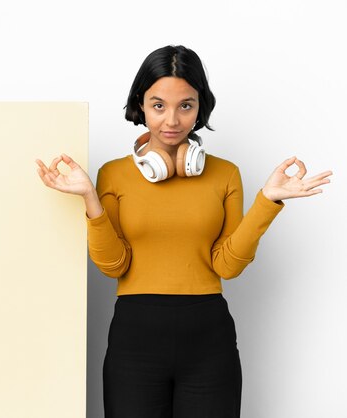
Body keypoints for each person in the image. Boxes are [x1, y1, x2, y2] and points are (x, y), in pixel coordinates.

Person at [34, 45, 332, 418]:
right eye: (158, 105)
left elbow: (226, 266)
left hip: (209, 341)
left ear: (200, 106)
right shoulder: (113, 174)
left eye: (186, 105)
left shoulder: (225, 174)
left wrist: (267, 201)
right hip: (134, 340)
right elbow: (114, 265)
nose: (172, 120)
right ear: (140, 104)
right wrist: (90, 198)